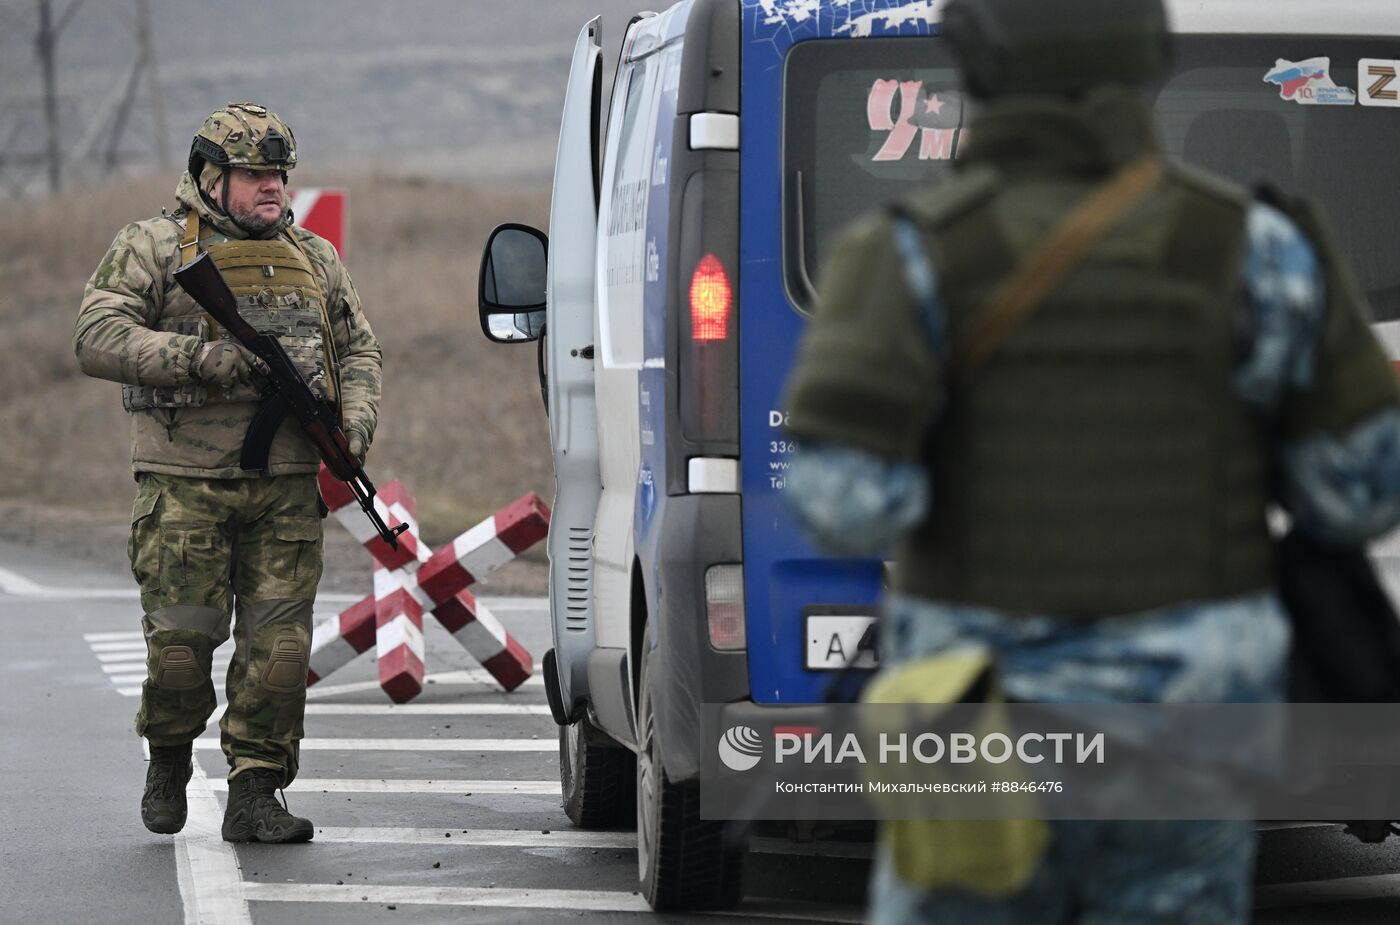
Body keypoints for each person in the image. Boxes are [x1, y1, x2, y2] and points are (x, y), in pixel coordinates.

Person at [781, 1, 1400, 922]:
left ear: (979, 67)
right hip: (1191, 722)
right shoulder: (1258, 249)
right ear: (1149, 60)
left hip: (976, 717)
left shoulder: (905, 255)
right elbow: (1358, 492)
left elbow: (844, 507)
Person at [74, 102, 383, 843]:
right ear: (211, 179)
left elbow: (360, 349)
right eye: (255, 174)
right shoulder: (153, 245)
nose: (273, 186)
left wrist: (355, 426)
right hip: (183, 486)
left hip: (284, 488)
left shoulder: (314, 256)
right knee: (182, 646)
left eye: (280, 174)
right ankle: (170, 755)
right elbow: (97, 333)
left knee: (278, 652)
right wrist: (199, 359)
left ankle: (255, 789)